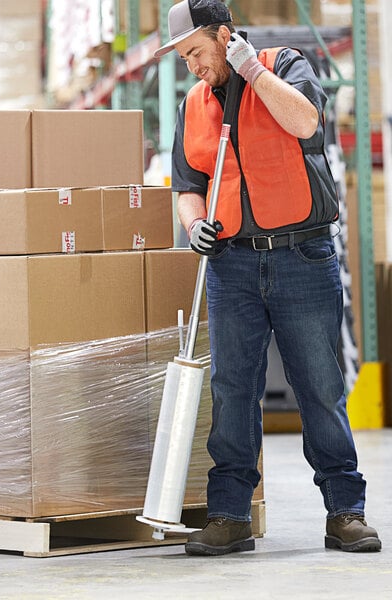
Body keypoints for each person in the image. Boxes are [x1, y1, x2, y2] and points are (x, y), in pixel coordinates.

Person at [154, 0, 381, 555]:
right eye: (184, 58)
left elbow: (306, 122)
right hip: (231, 263)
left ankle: (345, 511)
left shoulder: (286, 65)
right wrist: (194, 225)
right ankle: (230, 515)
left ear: (224, 36)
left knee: (320, 389)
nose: (192, 66)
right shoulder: (194, 103)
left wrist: (251, 69)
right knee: (232, 390)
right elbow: (188, 182)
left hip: (301, 257)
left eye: (197, 53)